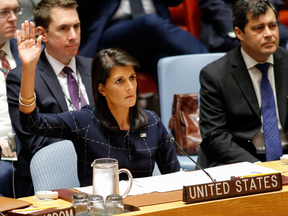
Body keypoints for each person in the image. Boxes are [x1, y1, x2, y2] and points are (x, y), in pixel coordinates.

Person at [17, 21, 180, 186]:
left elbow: (175, 179)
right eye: (119, 81)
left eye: (132, 78)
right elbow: (31, 123)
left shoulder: (152, 122)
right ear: (102, 89)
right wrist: (29, 67)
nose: (130, 87)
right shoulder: (85, 122)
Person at [6, 0, 93, 198]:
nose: (73, 35)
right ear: (42, 33)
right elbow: (34, 141)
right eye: (63, 28)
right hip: (50, 182)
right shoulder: (22, 77)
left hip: (101, 174)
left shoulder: (95, 68)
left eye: (76, 26)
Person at [197, 0, 288, 168]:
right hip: (238, 161)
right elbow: (215, 137)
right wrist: (261, 168)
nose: (269, 34)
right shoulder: (215, 75)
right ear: (239, 33)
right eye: (258, 28)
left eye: (272, 26)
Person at [76, 0, 208, 82]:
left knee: (166, 65)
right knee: (149, 22)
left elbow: (174, 1)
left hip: (154, 38)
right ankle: (211, 64)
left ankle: (176, 124)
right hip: (111, 33)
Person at [198, 0, 288, 52]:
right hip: (224, 27)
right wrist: (235, 25)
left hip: (263, 17)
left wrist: (264, 11)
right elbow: (212, 3)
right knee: (251, 43)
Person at [0, 0, 22, 197]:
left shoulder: (29, 51)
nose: (13, 18)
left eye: (15, 11)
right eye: (4, 12)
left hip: (28, 144)